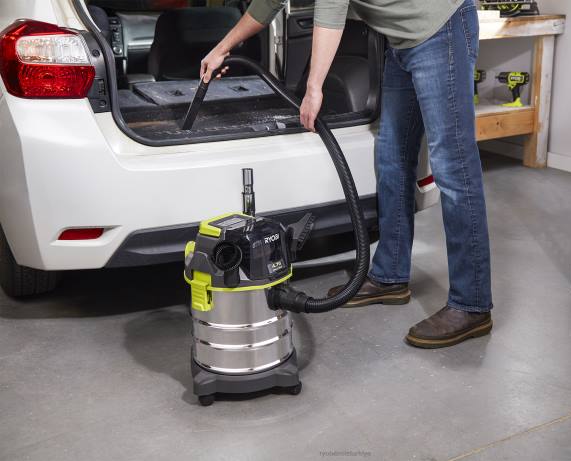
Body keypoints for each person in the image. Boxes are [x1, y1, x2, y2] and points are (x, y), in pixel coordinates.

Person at [201, 0, 493, 349]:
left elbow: (331, 11)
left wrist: (314, 88)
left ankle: (471, 303)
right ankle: (390, 276)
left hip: (440, 30)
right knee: (392, 158)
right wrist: (222, 48)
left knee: (453, 168)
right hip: (402, 43)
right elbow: (268, 3)